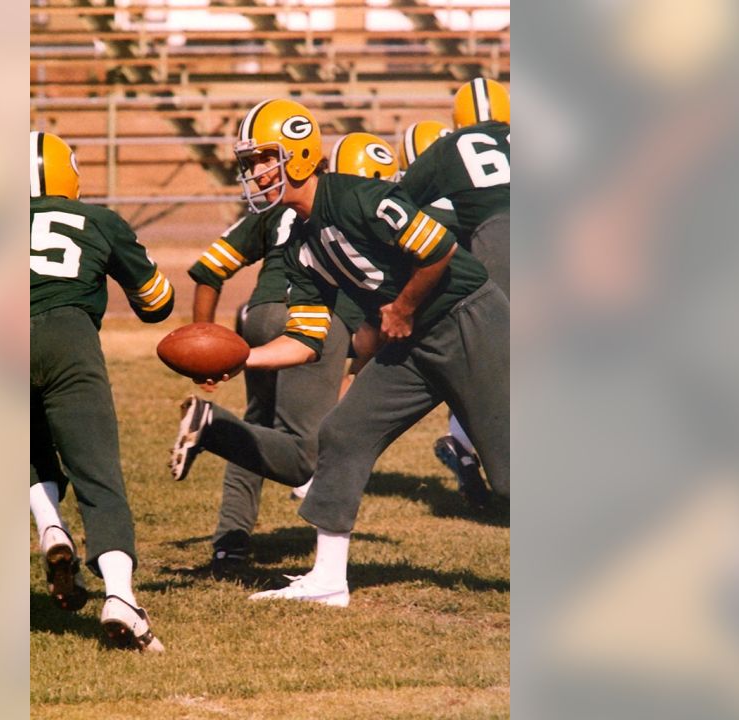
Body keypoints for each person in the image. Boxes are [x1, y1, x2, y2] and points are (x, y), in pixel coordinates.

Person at [170, 100, 509, 606]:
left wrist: (402, 308)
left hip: (469, 319)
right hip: (415, 338)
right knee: (343, 431)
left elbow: (436, 248)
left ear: (301, 155)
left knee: (509, 478)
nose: (255, 172)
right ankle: (329, 578)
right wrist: (241, 359)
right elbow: (306, 341)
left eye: (264, 159)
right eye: (250, 163)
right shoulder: (300, 245)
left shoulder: (356, 197)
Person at [182, 133, 392, 574]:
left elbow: (210, 267)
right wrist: (356, 370)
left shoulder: (284, 205)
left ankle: (230, 542)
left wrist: (204, 337)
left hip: (258, 314)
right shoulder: (364, 214)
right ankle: (211, 427)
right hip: (313, 323)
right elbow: (374, 326)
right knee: (305, 455)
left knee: (257, 427)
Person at [29, 131, 173, 650]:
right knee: (98, 475)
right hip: (70, 336)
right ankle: (120, 597)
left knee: (24, 446)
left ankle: (50, 527)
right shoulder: (99, 220)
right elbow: (157, 301)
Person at [399, 78, 512, 500]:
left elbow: (399, 203)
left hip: (459, 276)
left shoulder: (448, 152)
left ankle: (463, 443)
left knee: (478, 365)